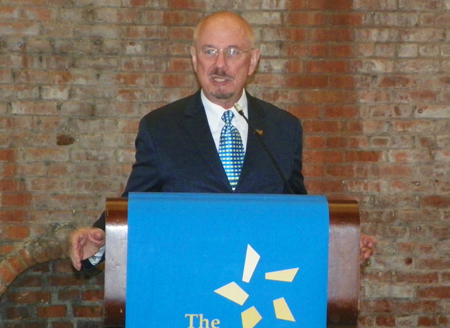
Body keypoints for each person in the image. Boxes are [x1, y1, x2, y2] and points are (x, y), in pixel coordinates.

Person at [70, 11, 374, 271]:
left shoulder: (284, 128)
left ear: (252, 61)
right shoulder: (161, 127)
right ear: (194, 58)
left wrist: (338, 245)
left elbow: (294, 211)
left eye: (232, 52)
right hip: (187, 289)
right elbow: (136, 204)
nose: (220, 65)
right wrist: (100, 238)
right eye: (209, 51)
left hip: (260, 292)